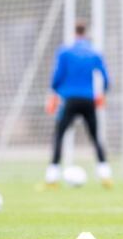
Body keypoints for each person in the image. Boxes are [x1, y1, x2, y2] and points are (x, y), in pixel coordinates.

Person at [45, 20, 112, 188]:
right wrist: (102, 93)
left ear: (74, 33)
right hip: (89, 100)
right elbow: (105, 78)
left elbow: (57, 77)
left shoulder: (65, 52)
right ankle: (105, 177)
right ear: (86, 32)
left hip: (70, 100)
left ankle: (52, 179)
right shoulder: (94, 53)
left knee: (59, 136)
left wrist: (55, 91)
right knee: (95, 137)